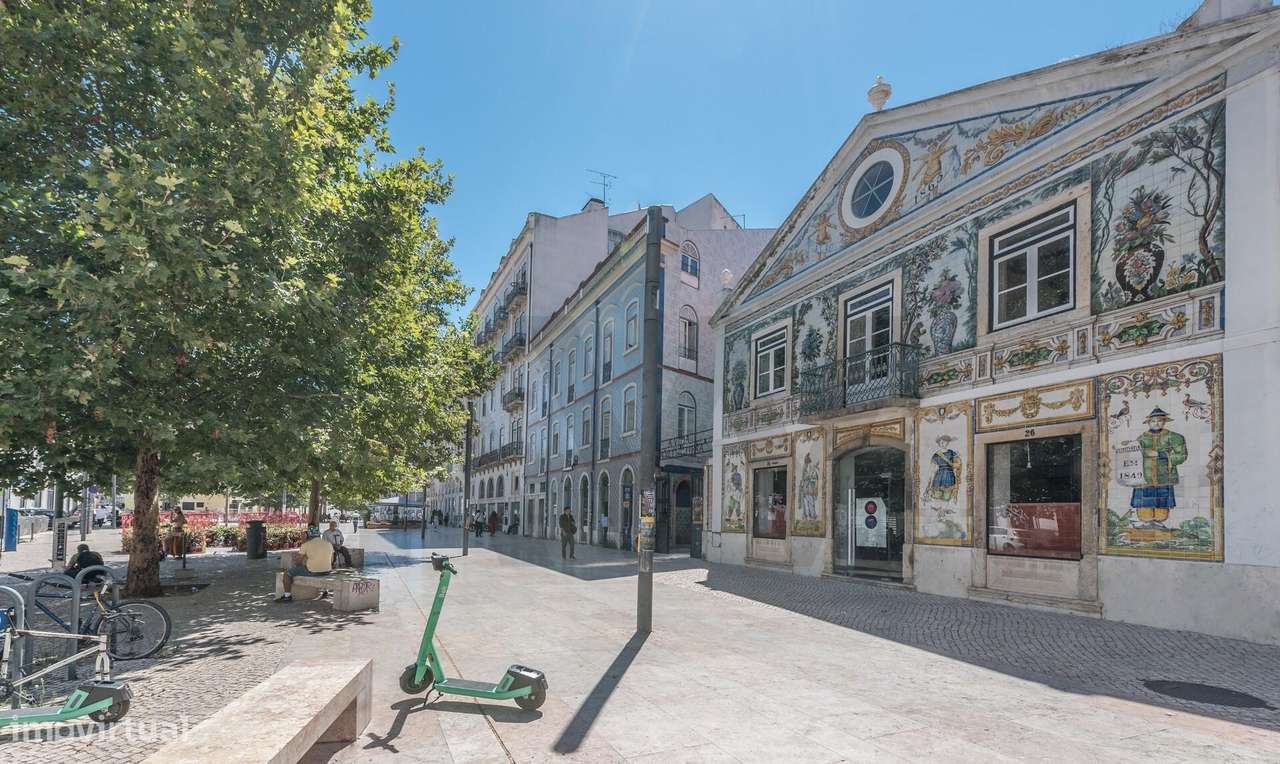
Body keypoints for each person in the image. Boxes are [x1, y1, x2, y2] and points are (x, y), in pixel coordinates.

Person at [277, 527, 333, 602]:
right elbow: (332, 559)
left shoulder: (306, 544)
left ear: (308, 535)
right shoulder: (328, 544)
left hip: (312, 572)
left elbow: (298, 561)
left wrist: (299, 564)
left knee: (287, 573)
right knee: (317, 568)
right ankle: (324, 591)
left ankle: (287, 596)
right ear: (319, 535)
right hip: (328, 571)